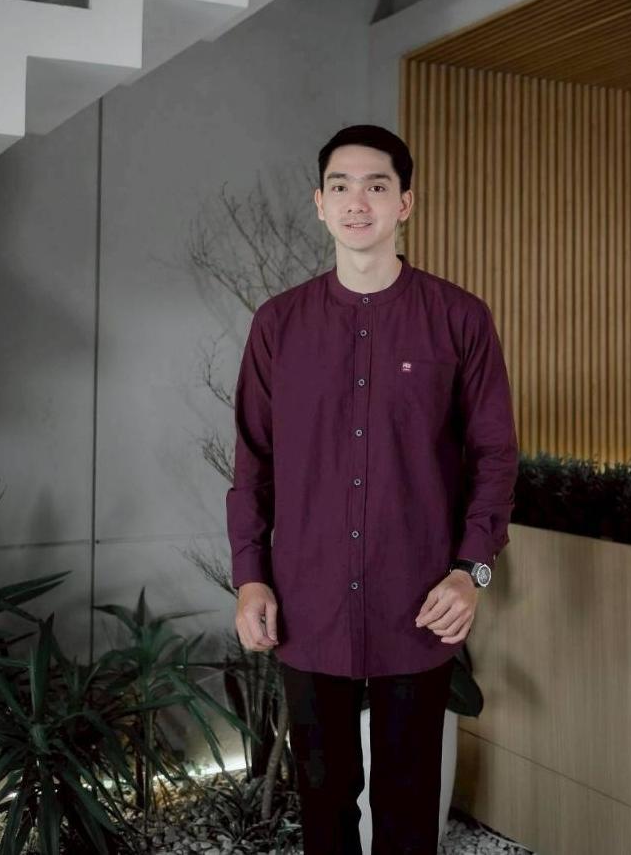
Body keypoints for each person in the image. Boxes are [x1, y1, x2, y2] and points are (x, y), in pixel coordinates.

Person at [225, 124, 519, 854]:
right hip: (307, 604)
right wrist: (250, 577)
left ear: (405, 203)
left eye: (377, 186)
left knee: (409, 812)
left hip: (418, 604)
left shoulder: (459, 318)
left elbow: (494, 456)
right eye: (341, 186)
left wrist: (472, 569)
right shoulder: (278, 325)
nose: (358, 202)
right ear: (320, 203)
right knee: (323, 811)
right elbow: (254, 461)